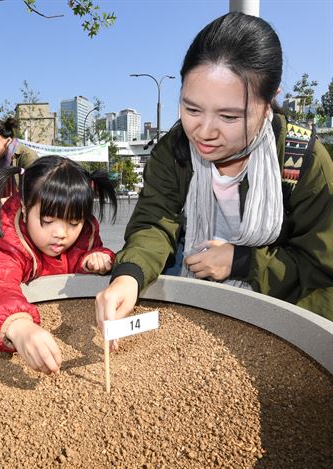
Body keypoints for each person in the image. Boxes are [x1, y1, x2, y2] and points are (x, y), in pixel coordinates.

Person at [96, 11, 333, 343]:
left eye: (229, 116)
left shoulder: (302, 160)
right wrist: (129, 275)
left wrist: (243, 262)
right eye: (191, 109)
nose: (204, 132)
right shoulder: (174, 149)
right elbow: (154, 223)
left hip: (277, 320)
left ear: (269, 102)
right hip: (193, 308)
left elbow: (321, 271)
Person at [0, 155, 117, 374]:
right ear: (25, 210)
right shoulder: (12, 245)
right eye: (47, 221)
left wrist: (97, 258)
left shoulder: (85, 236)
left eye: (74, 223)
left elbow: (80, 256)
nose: (61, 234)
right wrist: (18, 326)